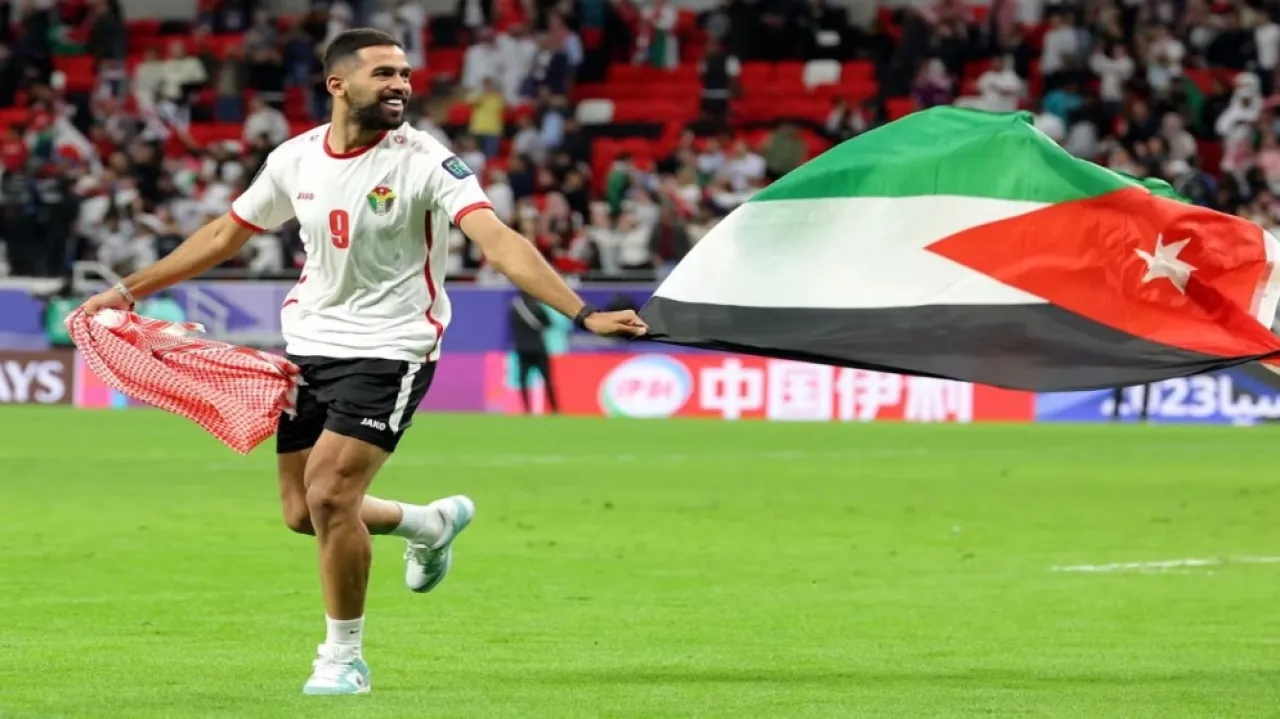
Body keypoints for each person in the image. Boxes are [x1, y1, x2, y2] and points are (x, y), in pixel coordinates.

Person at [77, 28, 647, 696]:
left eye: (404, 74)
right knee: (302, 511)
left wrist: (581, 312)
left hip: (392, 349)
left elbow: (497, 240)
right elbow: (225, 234)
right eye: (384, 73)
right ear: (338, 85)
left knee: (329, 494)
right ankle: (429, 523)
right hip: (310, 346)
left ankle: (342, 657)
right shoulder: (295, 158)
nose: (401, 84)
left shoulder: (426, 160)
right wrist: (126, 291)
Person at [508, 289, 559, 414]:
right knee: (548, 380)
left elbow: (512, 327)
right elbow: (549, 324)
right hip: (539, 348)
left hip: (522, 349)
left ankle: (527, 409)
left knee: (523, 381)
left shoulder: (514, 309)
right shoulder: (537, 308)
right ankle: (554, 409)